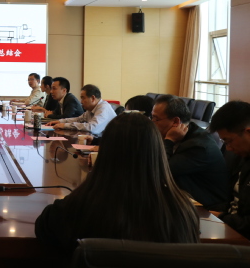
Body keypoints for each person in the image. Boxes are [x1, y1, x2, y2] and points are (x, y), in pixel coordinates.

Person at [35, 113, 200, 256]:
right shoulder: (183, 211)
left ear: (104, 153)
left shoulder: (75, 208)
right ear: (157, 153)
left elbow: (44, 228)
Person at [151, 94, 228, 209]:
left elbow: (159, 171)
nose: (152, 123)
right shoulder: (186, 133)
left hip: (208, 207)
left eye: (156, 119)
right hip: (185, 199)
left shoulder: (198, 146)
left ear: (175, 121)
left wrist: (169, 141)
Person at [208, 101, 250, 238]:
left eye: (228, 141)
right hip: (229, 228)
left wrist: (221, 217)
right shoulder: (240, 156)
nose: (228, 148)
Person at [49, 84, 116, 136]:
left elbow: (92, 128)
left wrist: (65, 125)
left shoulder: (103, 108)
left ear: (92, 98)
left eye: (83, 98)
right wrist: (60, 121)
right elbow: (79, 119)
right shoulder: (91, 109)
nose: (81, 102)